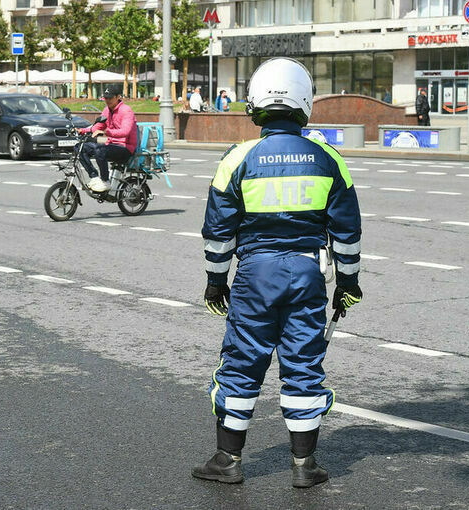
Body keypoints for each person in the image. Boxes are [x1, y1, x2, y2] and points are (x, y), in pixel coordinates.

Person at [193, 57, 362, 488]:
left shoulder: (238, 158)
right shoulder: (329, 159)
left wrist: (216, 282)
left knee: (244, 359)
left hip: (254, 274)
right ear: (305, 104)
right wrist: (348, 283)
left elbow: (218, 231)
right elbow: (347, 231)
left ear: (255, 105)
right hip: (307, 273)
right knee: (304, 362)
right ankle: (305, 467)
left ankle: (228, 460)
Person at [78, 84, 138, 192]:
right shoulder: (107, 110)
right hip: (110, 142)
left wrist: (106, 132)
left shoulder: (126, 111)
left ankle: (105, 181)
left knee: (100, 149)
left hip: (125, 146)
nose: (107, 100)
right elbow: (98, 126)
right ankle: (94, 177)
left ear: (118, 97)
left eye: (110, 98)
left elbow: (126, 131)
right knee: (81, 146)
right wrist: (82, 130)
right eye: (106, 98)